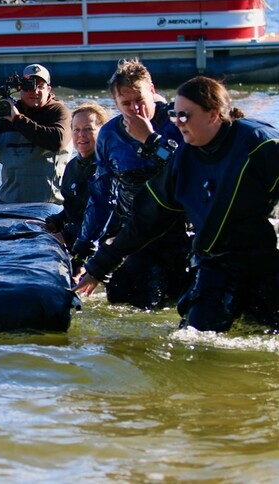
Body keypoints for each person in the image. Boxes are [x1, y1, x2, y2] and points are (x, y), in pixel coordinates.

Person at [75, 76, 279, 332]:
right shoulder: (183, 160)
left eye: (185, 116)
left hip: (268, 263)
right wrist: (97, 268)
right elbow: (145, 221)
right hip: (216, 264)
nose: (178, 123)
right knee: (194, 337)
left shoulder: (261, 144)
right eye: (174, 116)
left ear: (213, 115)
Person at [72, 58, 190, 309]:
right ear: (115, 103)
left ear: (152, 91)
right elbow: (101, 197)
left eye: (140, 100)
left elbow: (190, 171)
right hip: (136, 236)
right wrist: (83, 248)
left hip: (183, 233)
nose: (135, 109)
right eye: (126, 104)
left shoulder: (179, 122)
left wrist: (150, 140)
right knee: (129, 300)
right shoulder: (110, 135)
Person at [0, 63, 72, 204]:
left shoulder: (58, 112)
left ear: (48, 89)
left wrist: (17, 119)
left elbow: (57, 141)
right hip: (7, 204)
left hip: (49, 206)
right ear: (20, 88)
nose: (34, 91)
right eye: (28, 86)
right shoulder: (7, 112)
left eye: (40, 86)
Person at [44, 102, 108, 249]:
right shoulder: (72, 166)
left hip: (102, 246)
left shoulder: (108, 167)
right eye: (76, 129)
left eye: (88, 129)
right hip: (77, 240)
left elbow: (104, 219)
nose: (81, 135)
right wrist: (54, 223)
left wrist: (65, 236)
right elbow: (73, 209)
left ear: (102, 132)